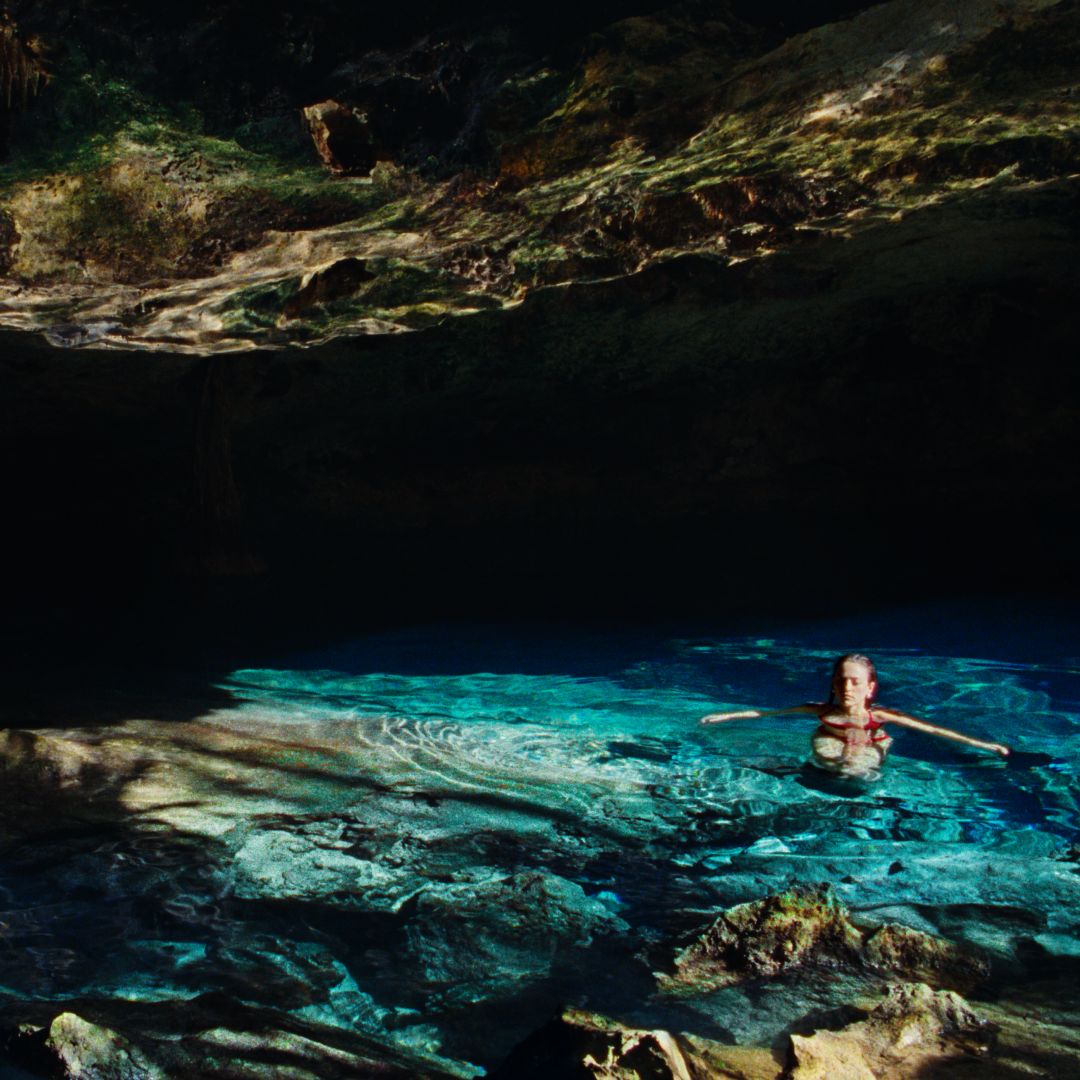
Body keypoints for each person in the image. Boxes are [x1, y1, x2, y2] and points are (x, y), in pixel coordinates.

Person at [700, 653, 1011, 777]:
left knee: (855, 771)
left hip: (871, 738)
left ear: (870, 688)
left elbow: (935, 731)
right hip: (830, 736)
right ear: (834, 685)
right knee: (831, 762)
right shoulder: (822, 711)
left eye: (855, 682)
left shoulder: (881, 716)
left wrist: (987, 747)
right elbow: (768, 713)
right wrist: (726, 716)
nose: (847, 688)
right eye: (841, 681)